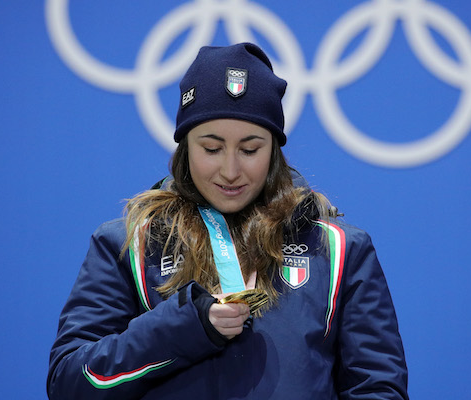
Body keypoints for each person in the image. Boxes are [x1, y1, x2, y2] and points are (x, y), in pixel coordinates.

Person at [47, 42, 409, 399]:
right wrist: (184, 326)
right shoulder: (130, 245)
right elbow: (69, 384)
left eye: (250, 149)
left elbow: (378, 389)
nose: (231, 170)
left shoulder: (338, 250)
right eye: (211, 148)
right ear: (185, 146)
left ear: (275, 150)